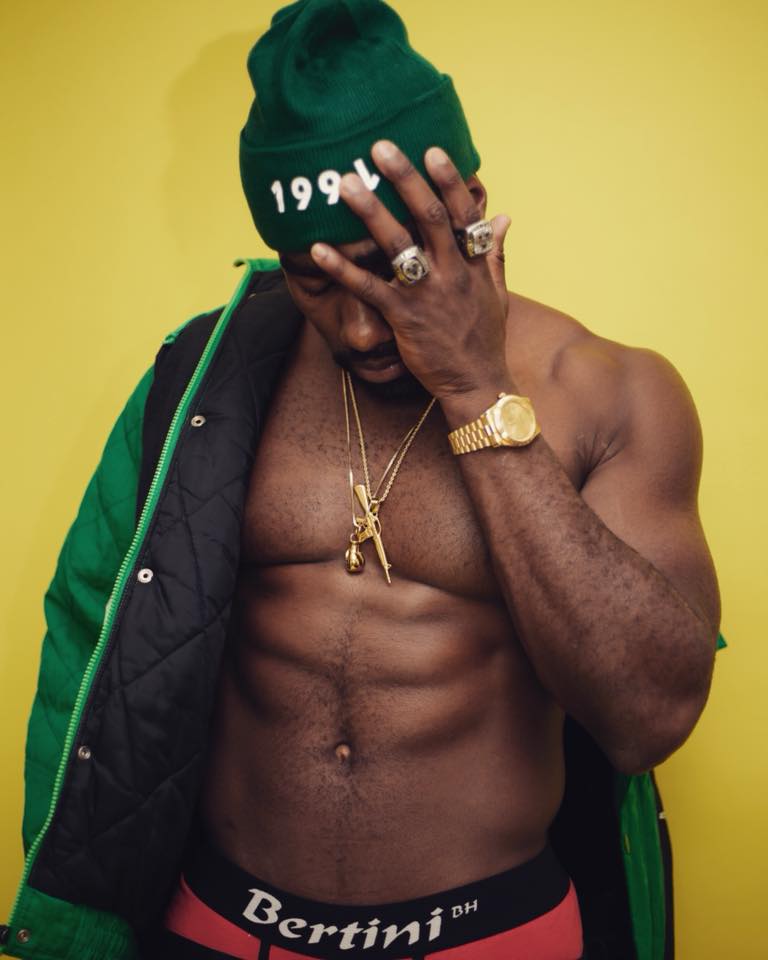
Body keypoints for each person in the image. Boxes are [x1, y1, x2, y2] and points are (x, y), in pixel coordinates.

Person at [1, 2, 722, 959]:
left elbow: (649, 718)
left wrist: (475, 389)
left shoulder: (609, 392)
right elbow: (94, 648)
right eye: (318, 280)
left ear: (468, 203)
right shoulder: (201, 382)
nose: (362, 329)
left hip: (487, 935)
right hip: (216, 926)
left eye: (394, 271)